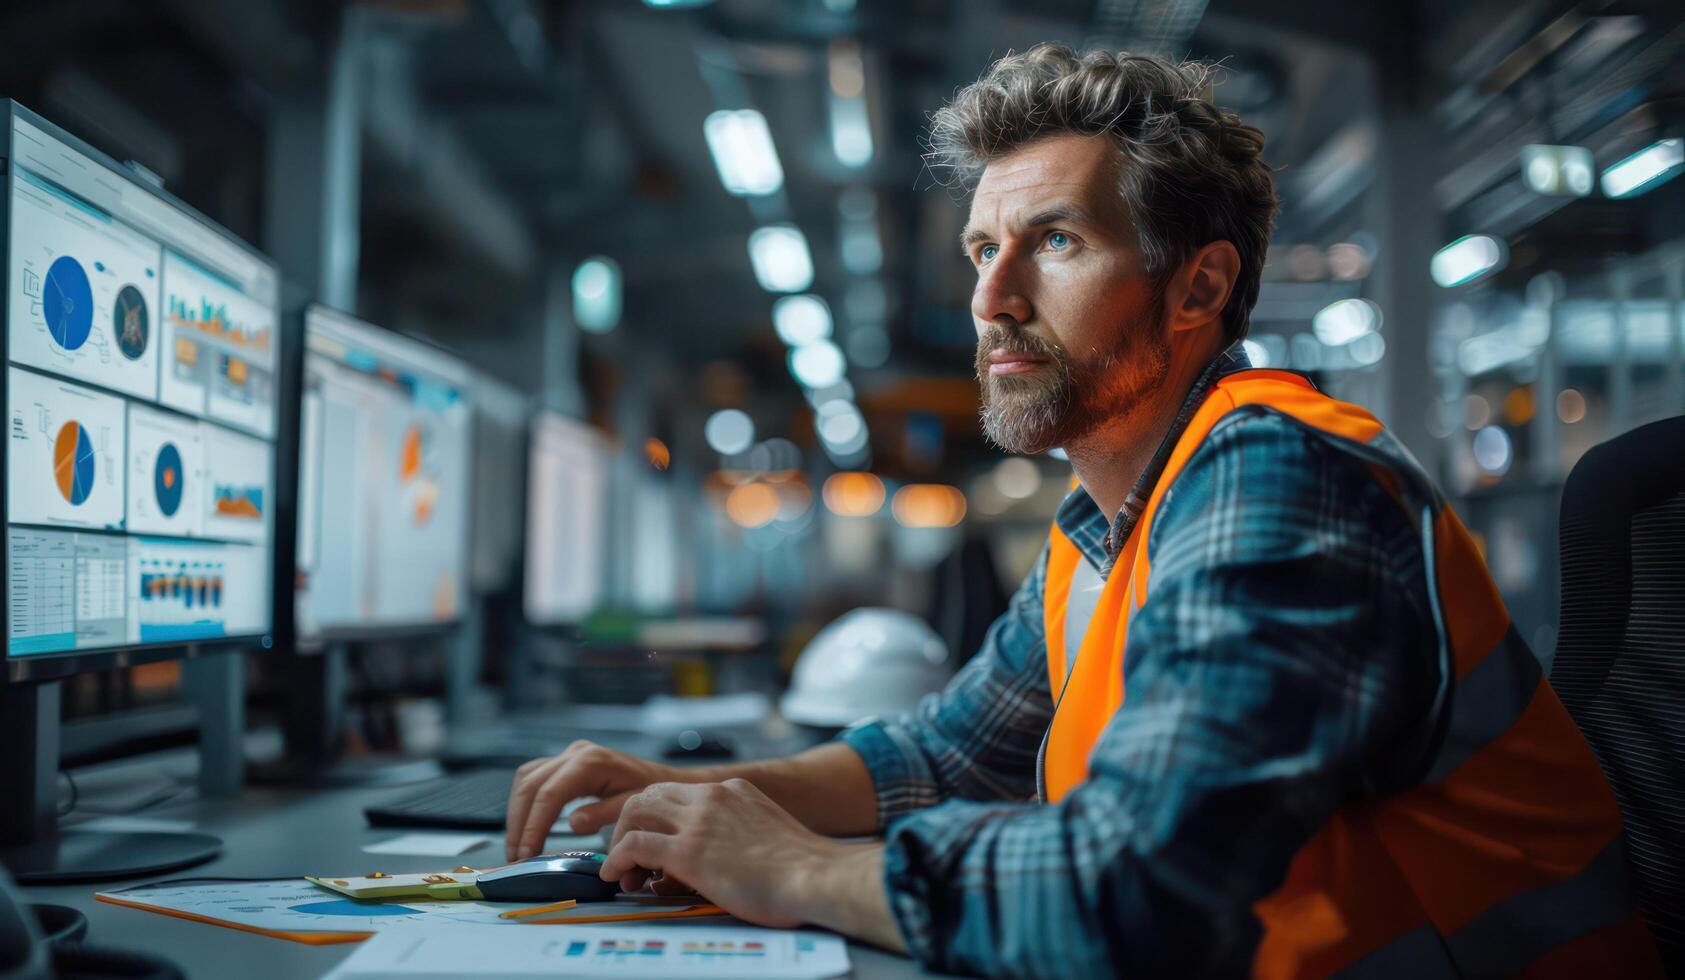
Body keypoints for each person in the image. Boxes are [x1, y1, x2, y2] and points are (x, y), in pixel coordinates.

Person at [504, 45, 1660, 977]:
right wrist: (691, 793)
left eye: (1055, 242)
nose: (991, 299)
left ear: (1197, 285)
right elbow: (943, 752)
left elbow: (1133, 893)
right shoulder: (1100, 526)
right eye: (981, 247)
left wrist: (794, 868)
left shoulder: (1282, 478)